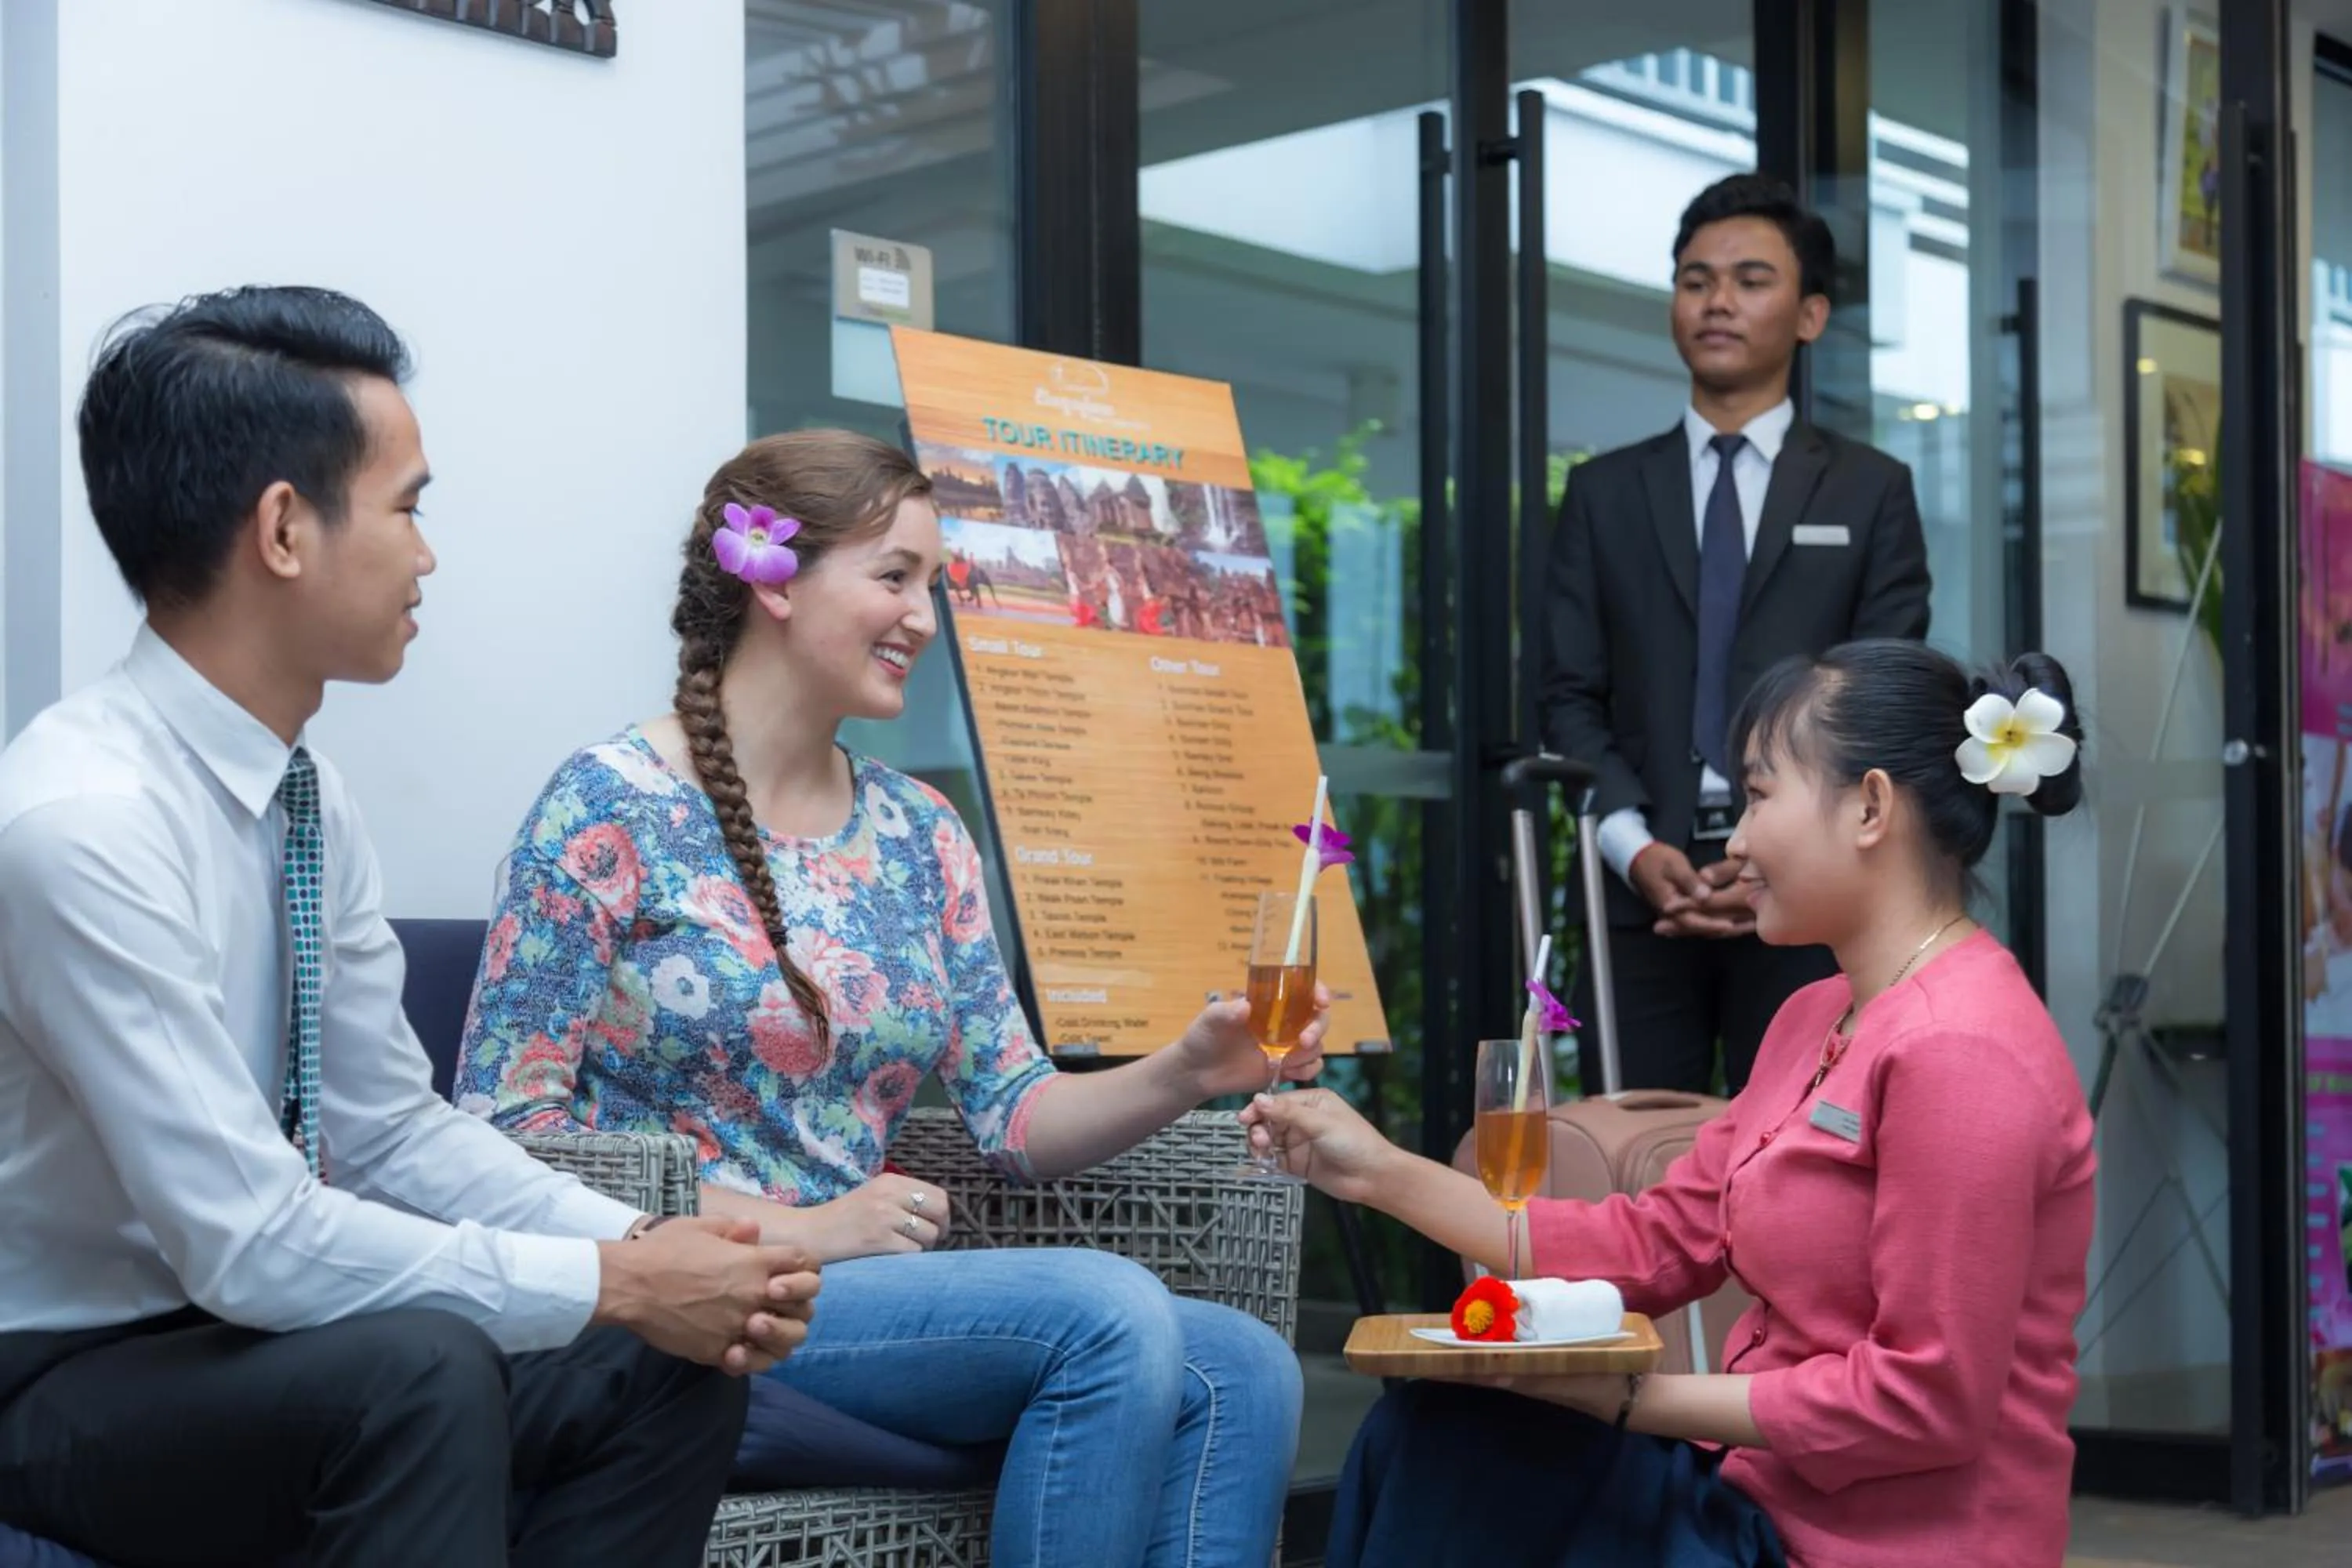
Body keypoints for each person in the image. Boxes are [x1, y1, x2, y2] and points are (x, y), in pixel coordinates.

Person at [0, 288, 821, 1568]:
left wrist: (648, 1252)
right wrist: (615, 1285)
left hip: (237, 1337)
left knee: (672, 1364)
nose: (428, 554)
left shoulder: (305, 798)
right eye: (408, 506)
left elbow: (386, 1130)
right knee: (421, 1370)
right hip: (59, 1369)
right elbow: (253, 1241)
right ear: (284, 528)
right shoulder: (82, 824)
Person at [455, 429, 1319, 1568]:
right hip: (706, 1302)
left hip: (869, 1300)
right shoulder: (605, 809)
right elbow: (506, 1131)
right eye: (894, 576)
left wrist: (1186, 1073)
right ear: (771, 579)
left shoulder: (920, 833)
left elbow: (1012, 1116)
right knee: (1108, 1312)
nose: (924, 616)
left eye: (935, 585)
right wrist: (801, 1228)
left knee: (1244, 1366)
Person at [1244, 639, 2096, 1568]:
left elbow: (1924, 1401)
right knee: (1434, 1427)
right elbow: (1661, 1242)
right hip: (1751, 1500)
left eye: (1761, 794)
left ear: (1871, 805)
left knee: (1456, 1459)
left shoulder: (1961, 1049)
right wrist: (1371, 1169)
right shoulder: (1817, 1015)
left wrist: (1625, 1398)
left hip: (1872, 1545)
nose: (1733, 840)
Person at [1541, 172, 1933, 1094]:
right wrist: (1634, 846)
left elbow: (1879, 696)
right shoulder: (1602, 494)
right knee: (1628, 1159)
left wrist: (1774, 842)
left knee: (1803, 1163)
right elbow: (1566, 695)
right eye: (1695, 279)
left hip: (1816, 890)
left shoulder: (1870, 490)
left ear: (1810, 315)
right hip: (1639, 895)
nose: (1718, 300)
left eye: (1751, 279)